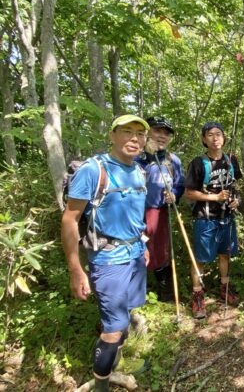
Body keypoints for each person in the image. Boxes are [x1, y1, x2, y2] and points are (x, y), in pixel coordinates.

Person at [61, 115, 150, 392]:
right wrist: (76, 270)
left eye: (140, 134)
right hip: (109, 260)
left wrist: (143, 245)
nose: (134, 138)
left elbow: (135, 216)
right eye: (127, 131)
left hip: (135, 255)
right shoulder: (94, 170)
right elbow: (70, 220)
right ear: (112, 135)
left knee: (125, 315)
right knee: (113, 328)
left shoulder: (139, 171)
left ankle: (115, 367)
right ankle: (102, 384)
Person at [183, 122, 242, 319]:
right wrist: (215, 197)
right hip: (205, 218)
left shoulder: (231, 160)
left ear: (224, 138)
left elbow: (235, 187)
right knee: (201, 259)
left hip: (227, 217)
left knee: (225, 254)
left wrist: (236, 201)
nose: (215, 138)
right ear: (203, 139)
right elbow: (189, 193)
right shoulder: (198, 163)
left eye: (219, 134)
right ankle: (197, 295)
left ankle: (225, 288)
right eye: (210, 134)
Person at [136, 116, 184, 301]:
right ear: (147, 133)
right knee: (135, 250)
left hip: (159, 213)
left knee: (160, 251)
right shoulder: (134, 157)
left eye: (166, 133)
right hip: (133, 214)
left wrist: (174, 195)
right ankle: (135, 295)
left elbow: (180, 185)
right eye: (157, 131)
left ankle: (166, 294)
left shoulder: (172, 161)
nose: (162, 136)